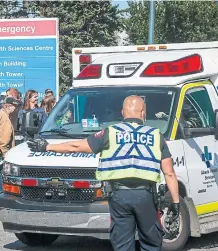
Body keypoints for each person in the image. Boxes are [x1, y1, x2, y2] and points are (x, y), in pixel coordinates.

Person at [27, 95, 180, 251]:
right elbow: (169, 174)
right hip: (146, 197)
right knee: (151, 244)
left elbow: (76, 147)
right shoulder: (156, 136)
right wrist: (175, 202)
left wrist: (46, 147)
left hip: (119, 197)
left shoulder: (110, 133)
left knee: (122, 244)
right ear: (143, 113)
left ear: (122, 112)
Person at [0, 96, 22, 194]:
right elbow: (5, 137)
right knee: (3, 173)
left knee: (0, 172)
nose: (15, 108)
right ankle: (1, 193)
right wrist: (5, 152)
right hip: (2, 151)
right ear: (7, 106)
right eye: (14, 106)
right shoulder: (5, 118)